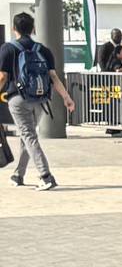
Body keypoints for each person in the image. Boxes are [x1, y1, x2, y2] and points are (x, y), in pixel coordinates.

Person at [1, 10, 77, 190]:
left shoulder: (8, 48)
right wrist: (66, 97)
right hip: (42, 100)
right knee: (28, 136)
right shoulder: (43, 50)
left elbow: (3, 77)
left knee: (28, 136)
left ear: (14, 29)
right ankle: (18, 174)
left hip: (18, 99)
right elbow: (53, 76)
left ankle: (46, 176)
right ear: (33, 28)